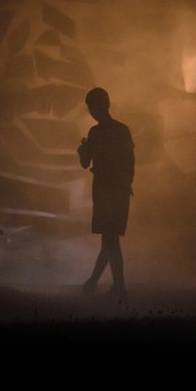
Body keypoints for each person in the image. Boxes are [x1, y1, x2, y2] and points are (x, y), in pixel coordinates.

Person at [78, 87, 135, 299]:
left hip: (104, 192)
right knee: (110, 241)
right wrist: (125, 185)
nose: (93, 111)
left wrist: (82, 149)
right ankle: (105, 285)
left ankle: (116, 288)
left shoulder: (95, 133)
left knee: (109, 241)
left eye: (92, 107)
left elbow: (85, 163)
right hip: (119, 192)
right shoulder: (122, 130)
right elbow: (130, 163)